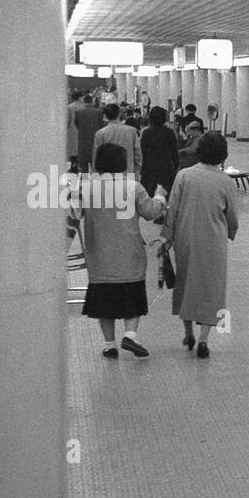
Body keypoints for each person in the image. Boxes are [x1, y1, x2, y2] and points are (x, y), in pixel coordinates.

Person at [75, 141, 166, 358]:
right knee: (132, 293)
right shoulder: (133, 186)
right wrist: (160, 196)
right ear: (123, 163)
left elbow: (73, 214)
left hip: (99, 254)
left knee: (103, 298)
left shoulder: (87, 188)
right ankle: (130, 334)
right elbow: (151, 212)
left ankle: (109, 345)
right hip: (129, 252)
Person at [161, 132, 239, 359]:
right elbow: (231, 215)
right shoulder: (226, 181)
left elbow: (172, 209)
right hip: (214, 241)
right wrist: (231, 231)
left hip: (186, 239)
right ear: (223, 154)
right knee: (212, 288)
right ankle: (204, 339)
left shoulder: (184, 176)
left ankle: (188, 333)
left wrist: (167, 237)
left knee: (185, 284)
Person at [138, 105, 179, 200]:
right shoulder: (169, 132)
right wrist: (176, 165)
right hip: (165, 166)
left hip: (149, 166)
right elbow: (174, 151)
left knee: (149, 195)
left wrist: (142, 168)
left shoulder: (146, 132)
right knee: (165, 194)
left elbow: (142, 151)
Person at [92, 103, 140, 175]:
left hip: (107, 175)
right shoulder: (131, 131)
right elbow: (137, 153)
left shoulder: (100, 133)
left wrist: (95, 174)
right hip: (128, 172)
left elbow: (96, 156)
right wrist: (137, 171)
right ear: (119, 114)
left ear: (105, 116)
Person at [72, 94, 103, 172]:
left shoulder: (78, 112)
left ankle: (85, 181)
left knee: (84, 166)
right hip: (95, 140)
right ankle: (95, 182)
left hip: (83, 141)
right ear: (92, 101)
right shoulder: (99, 112)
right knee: (95, 164)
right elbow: (101, 125)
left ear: (84, 102)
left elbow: (77, 124)